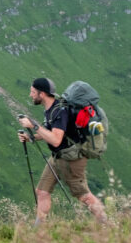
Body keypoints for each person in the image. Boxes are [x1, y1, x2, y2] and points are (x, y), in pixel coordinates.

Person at [17, 77, 107, 225]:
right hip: (58, 157)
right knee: (42, 191)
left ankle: (107, 224)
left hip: (72, 159)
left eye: (33, 92)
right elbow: (51, 133)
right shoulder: (52, 109)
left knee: (83, 196)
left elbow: (55, 140)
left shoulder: (59, 112)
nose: (30, 95)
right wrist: (31, 137)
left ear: (42, 94)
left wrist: (33, 125)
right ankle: (38, 229)